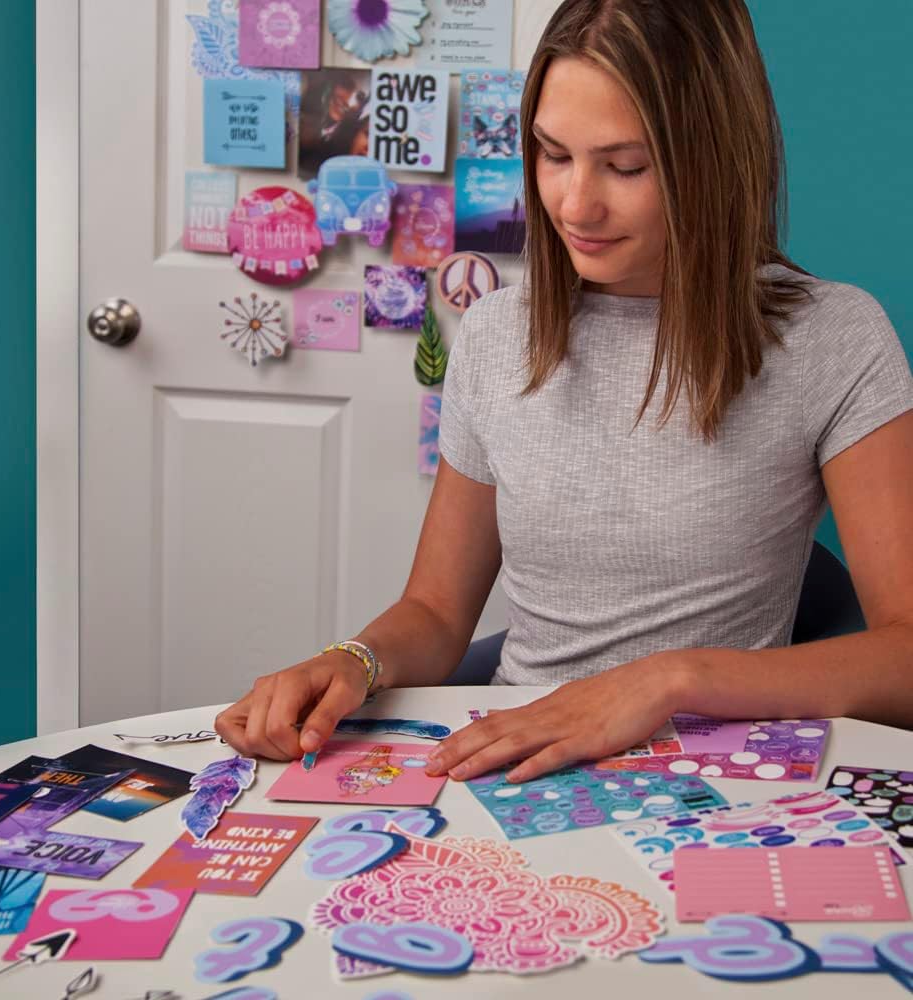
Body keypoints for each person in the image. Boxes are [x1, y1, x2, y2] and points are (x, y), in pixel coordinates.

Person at [216, 0, 913, 781]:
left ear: (713, 156)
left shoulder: (832, 337)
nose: (576, 205)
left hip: (712, 786)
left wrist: (668, 680)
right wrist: (354, 660)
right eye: (553, 155)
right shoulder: (496, 334)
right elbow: (437, 613)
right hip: (513, 770)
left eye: (626, 166)